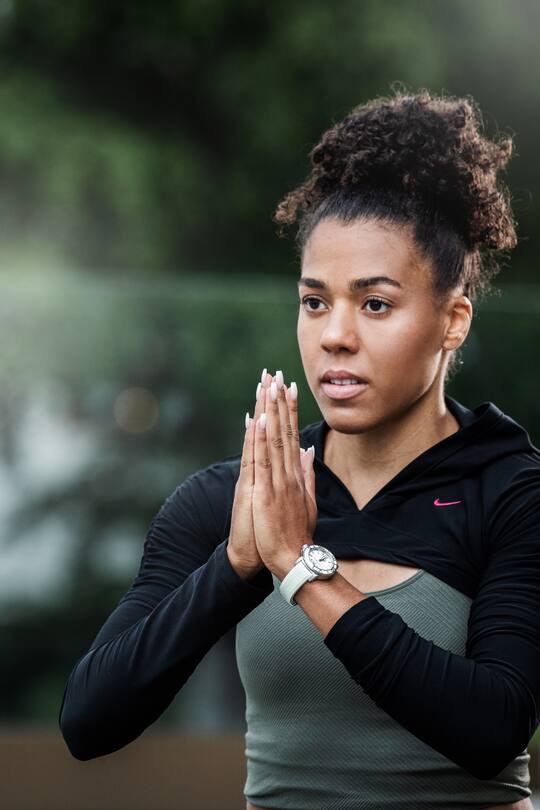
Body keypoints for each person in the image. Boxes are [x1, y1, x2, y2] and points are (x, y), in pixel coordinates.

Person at [59, 87, 539, 810]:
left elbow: (494, 727)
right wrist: (239, 563)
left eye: (375, 303)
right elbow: (88, 721)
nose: (334, 335)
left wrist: (300, 568)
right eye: (315, 301)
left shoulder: (509, 492)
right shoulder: (234, 501)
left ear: (453, 319)